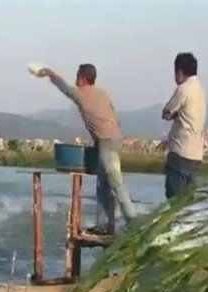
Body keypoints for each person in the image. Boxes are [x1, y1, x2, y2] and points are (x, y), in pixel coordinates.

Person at [34, 64, 136, 232]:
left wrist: (49, 73)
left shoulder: (81, 93)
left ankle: (133, 222)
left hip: (106, 140)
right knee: (103, 184)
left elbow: (64, 87)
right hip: (113, 138)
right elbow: (114, 117)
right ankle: (104, 226)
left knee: (115, 182)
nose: (76, 80)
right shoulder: (102, 93)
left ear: (82, 78)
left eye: (77, 76)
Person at [161, 53, 206, 199]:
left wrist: (175, 114)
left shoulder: (184, 89)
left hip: (181, 152)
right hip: (196, 155)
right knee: (188, 203)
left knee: (174, 202)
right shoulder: (200, 89)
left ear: (179, 72)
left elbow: (167, 113)